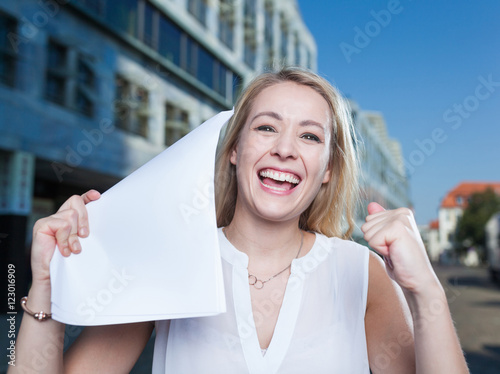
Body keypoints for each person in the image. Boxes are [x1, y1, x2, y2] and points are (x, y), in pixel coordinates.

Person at [11, 67, 469, 373]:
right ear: (234, 150)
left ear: (328, 169)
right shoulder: (171, 260)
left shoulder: (360, 272)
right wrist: (47, 287)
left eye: (309, 136)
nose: (285, 149)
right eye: (266, 127)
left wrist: (426, 290)